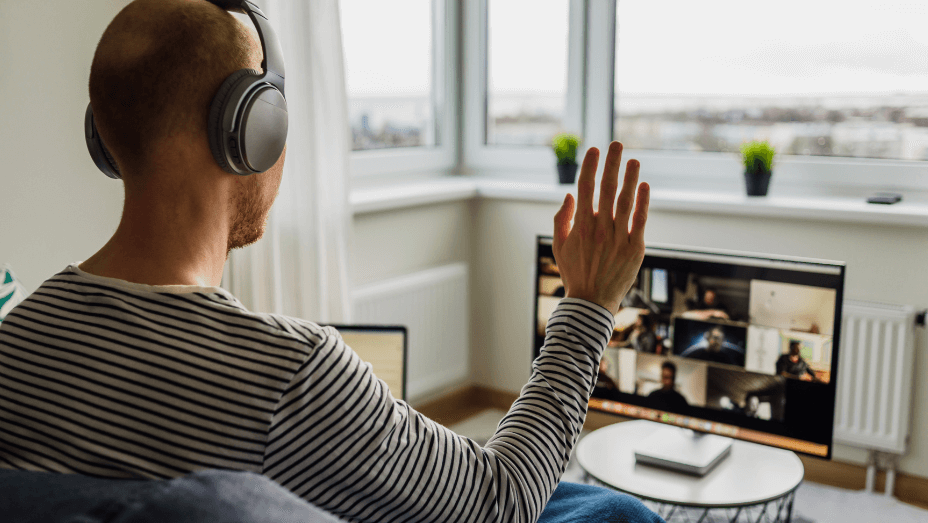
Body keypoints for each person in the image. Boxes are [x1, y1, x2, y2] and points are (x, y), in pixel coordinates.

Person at [0, 2, 652, 522]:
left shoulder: (15, 342)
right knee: (616, 511)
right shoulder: (288, 373)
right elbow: (499, 501)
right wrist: (589, 304)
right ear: (254, 128)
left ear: (107, 139)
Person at [681, 325, 745, 366]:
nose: (717, 342)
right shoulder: (694, 353)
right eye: (715, 338)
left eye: (720, 339)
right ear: (707, 337)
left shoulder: (730, 354)